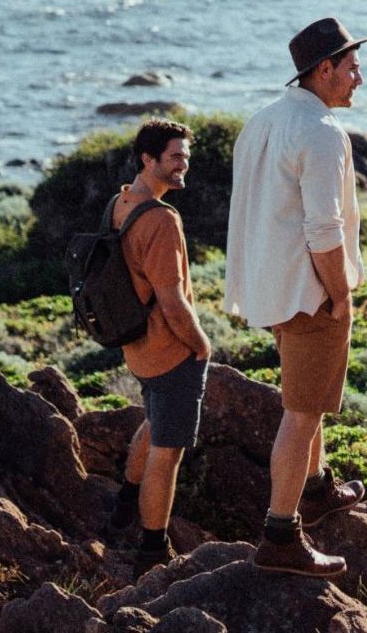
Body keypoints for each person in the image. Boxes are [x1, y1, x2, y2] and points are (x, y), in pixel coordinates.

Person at [225, 17, 367, 578]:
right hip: (310, 293)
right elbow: (324, 229)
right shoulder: (322, 131)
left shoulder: (263, 120)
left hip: (269, 287)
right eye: (351, 66)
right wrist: (341, 296)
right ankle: (281, 534)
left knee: (307, 397)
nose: (360, 76)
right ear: (324, 69)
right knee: (302, 411)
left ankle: (315, 489)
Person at [105, 117, 212, 575]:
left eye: (186, 156)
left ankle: (125, 504)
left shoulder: (120, 201)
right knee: (167, 453)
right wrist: (202, 345)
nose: (183, 164)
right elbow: (172, 303)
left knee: (154, 420)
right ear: (148, 159)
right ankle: (151, 549)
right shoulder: (163, 221)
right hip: (169, 350)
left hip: (136, 345)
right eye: (174, 157)